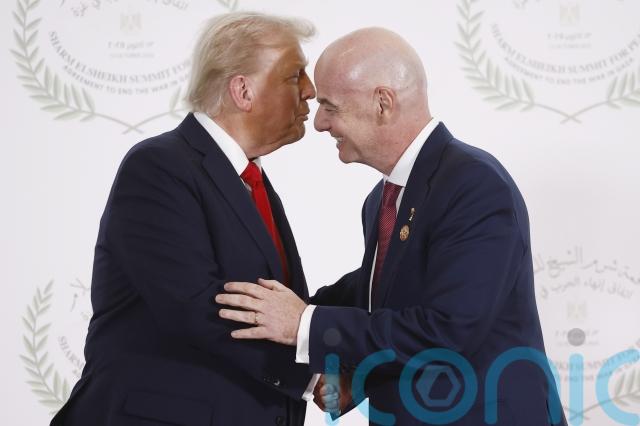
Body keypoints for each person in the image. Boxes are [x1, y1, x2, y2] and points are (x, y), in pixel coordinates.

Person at [216, 27, 568, 425]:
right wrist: (282, 315)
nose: (319, 123)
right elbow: (384, 296)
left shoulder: (474, 185)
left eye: (330, 106)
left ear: (382, 103)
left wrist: (303, 323)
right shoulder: (382, 201)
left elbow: (446, 332)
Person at [51, 12, 319, 426]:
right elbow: (197, 309)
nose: (310, 90)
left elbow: (274, 307)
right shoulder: (159, 167)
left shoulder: (250, 182)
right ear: (242, 91)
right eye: (293, 75)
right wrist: (317, 375)